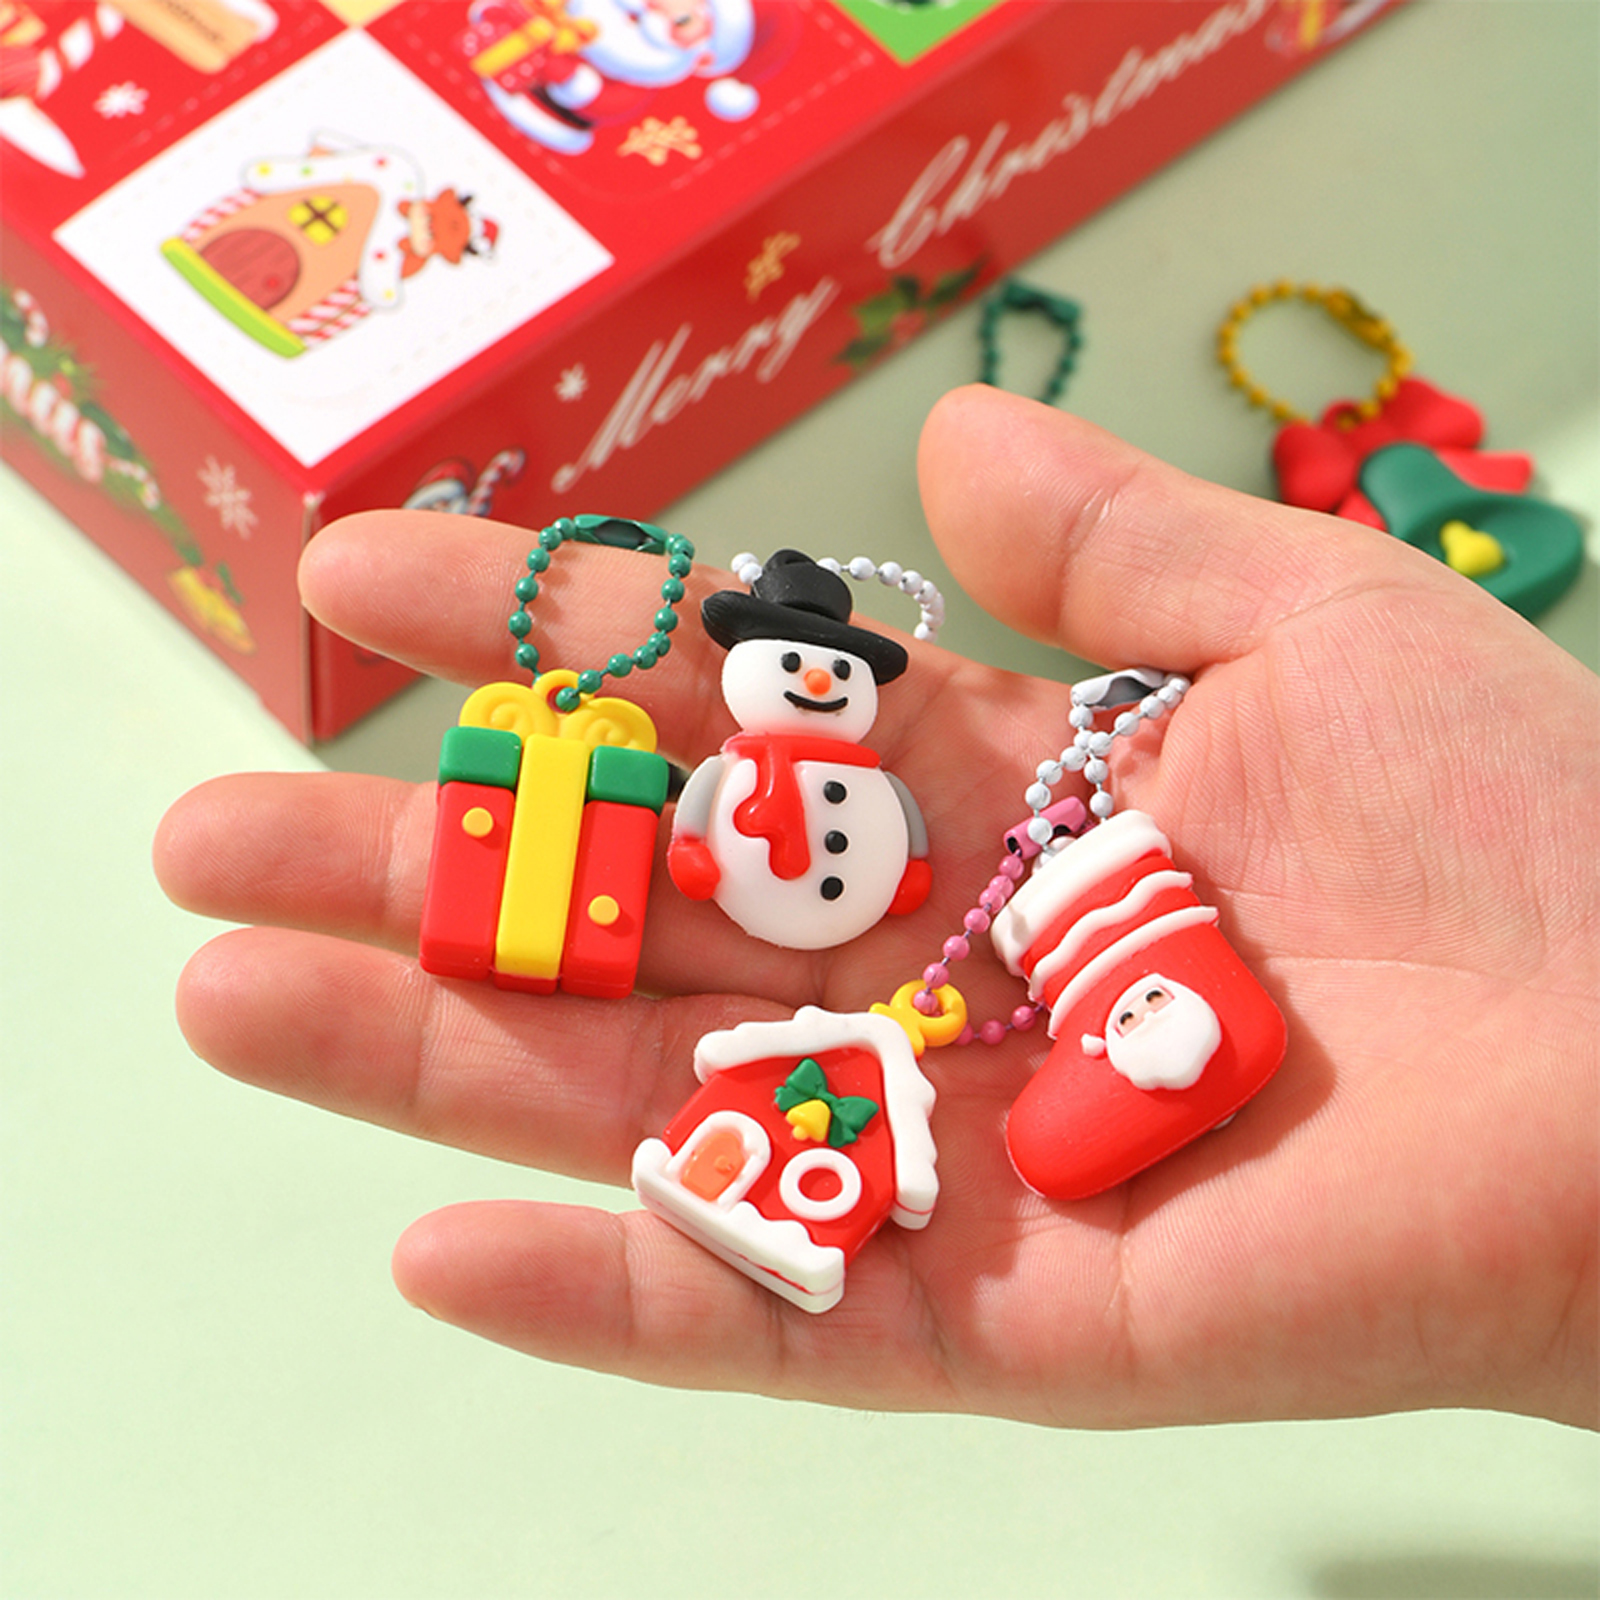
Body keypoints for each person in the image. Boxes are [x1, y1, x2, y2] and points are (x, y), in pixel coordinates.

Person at [152, 385, 1598, 1430]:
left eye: (835, 670)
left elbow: (901, 843)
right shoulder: (732, 769)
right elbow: (701, 835)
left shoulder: (893, 795)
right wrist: (703, 863)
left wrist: (907, 879)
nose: (817, 681)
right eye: (798, 666)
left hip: (933, 925)